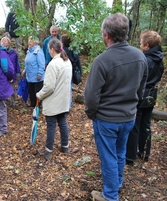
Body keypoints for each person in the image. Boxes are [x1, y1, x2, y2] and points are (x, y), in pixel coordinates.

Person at [84, 13, 148, 201]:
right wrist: (134, 106)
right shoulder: (139, 56)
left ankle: (110, 196)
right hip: (128, 117)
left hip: (107, 120)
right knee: (119, 153)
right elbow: (141, 89)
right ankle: (117, 183)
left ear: (107, 35)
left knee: (109, 158)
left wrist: (93, 114)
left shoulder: (102, 61)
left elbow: (90, 97)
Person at [126, 30, 164, 165]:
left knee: (135, 125)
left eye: (141, 42)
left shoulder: (145, 59)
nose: (140, 45)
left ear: (147, 45)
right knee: (146, 124)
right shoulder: (159, 59)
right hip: (152, 95)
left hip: (142, 95)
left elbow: (137, 79)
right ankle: (144, 152)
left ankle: (130, 156)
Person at [36, 38, 72, 160]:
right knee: (62, 122)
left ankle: (48, 150)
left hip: (54, 101)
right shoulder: (67, 62)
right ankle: (65, 146)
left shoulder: (53, 64)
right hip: (63, 100)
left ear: (52, 49)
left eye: (49, 50)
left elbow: (49, 87)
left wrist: (39, 95)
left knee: (51, 125)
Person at [24, 36, 45, 107]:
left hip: (37, 77)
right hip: (30, 76)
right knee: (31, 91)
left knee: (38, 92)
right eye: (29, 41)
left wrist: (40, 74)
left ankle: (38, 105)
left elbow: (42, 64)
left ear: (35, 42)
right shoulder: (29, 51)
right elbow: (27, 63)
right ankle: (32, 104)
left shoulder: (39, 51)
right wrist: (24, 71)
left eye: (31, 41)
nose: (29, 43)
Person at [0, 36, 21, 109]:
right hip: (2, 75)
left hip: (12, 74)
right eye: (2, 41)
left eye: (6, 41)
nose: (4, 42)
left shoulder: (13, 53)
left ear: (9, 43)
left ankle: (13, 102)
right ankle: (4, 102)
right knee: (3, 90)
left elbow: (17, 64)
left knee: (12, 89)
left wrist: (18, 73)